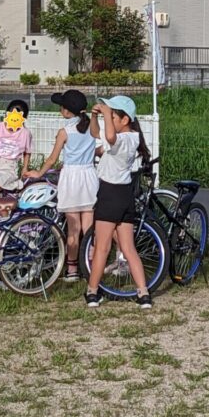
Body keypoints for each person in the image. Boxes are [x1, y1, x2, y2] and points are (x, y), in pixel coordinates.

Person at [85, 95, 153, 309]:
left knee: (102, 247)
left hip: (110, 194)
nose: (109, 119)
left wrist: (105, 112)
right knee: (128, 248)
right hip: (125, 195)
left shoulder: (124, 139)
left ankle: (92, 291)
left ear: (125, 120)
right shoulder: (130, 137)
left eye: (113, 116)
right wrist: (95, 117)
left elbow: (110, 137)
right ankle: (143, 293)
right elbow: (96, 133)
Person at [23, 90, 98, 282]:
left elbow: (52, 159)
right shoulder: (92, 128)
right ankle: (91, 266)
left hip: (71, 179)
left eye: (61, 107)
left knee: (73, 229)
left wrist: (38, 173)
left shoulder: (64, 132)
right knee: (89, 229)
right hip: (90, 177)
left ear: (66, 111)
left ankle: (72, 270)